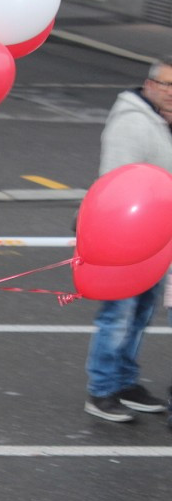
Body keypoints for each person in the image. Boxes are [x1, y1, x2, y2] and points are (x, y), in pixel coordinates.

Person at [83, 55, 172, 423]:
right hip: (128, 237)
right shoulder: (133, 124)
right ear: (149, 86)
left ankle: (124, 382)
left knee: (139, 313)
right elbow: (119, 184)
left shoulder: (162, 122)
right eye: (166, 85)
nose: (171, 93)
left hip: (158, 236)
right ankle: (102, 390)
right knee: (119, 314)